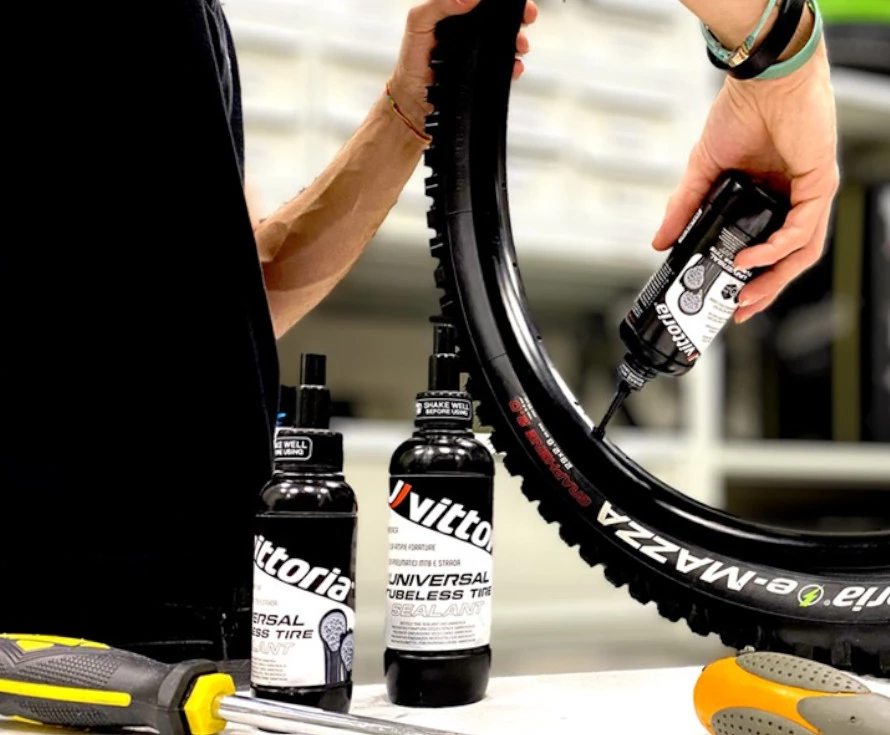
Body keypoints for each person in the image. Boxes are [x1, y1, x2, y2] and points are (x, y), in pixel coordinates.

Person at [1, 0, 836, 663]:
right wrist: (778, 53)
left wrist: (408, 111)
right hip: (45, 639)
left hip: (184, 637)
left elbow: (227, 301)